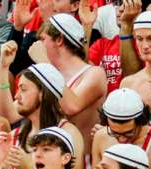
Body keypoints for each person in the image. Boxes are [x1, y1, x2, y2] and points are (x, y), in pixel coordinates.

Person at [40, 13, 106, 151]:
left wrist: (45, 65)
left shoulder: (94, 73)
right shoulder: (48, 74)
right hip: (50, 161)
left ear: (59, 40)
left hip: (81, 163)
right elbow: (12, 114)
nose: (39, 45)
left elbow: (71, 106)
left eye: (43, 39)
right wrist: (3, 68)